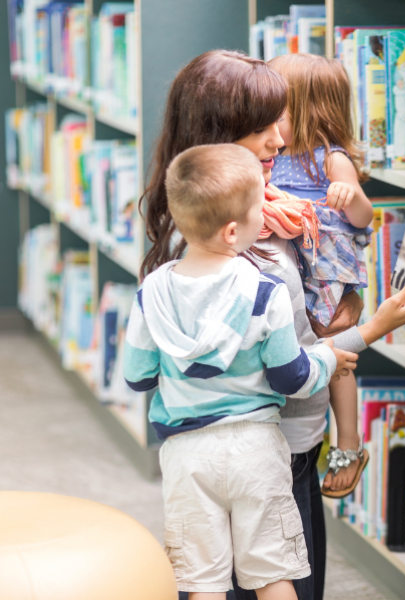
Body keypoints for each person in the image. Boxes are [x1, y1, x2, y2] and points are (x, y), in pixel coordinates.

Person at [140, 50, 405, 600]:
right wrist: (374, 327)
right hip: (272, 450)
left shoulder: (218, 217)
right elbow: (290, 368)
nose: (279, 140)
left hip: (249, 448)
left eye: (282, 120)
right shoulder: (246, 243)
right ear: (222, 133)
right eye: (263, 126)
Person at [124, 144, 359, 599]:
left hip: (186, 454)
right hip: (255, 449)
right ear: (234, 231)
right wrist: (329, 358)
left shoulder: (152, 291)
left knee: (203, 583)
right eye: (260, 207)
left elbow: (138, 377)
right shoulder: (264, 291)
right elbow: (291, 379)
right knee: (274, 576)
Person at [268, 53, 371, 496]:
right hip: (295, 261)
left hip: (325, 270)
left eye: (277, 109)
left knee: (334, 356)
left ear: (309, 111)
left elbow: (365, 218)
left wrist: (349, 197)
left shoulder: (330, 159)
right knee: (302, 350)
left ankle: (349, 440)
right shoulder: (273, 153)